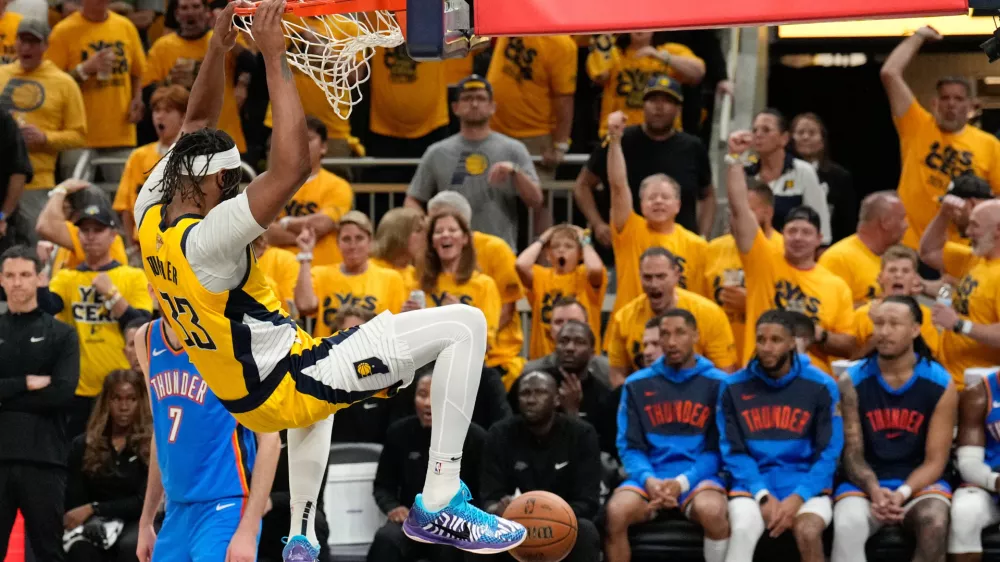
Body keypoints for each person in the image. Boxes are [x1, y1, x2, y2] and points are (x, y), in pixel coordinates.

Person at [131, 3, 528, 561]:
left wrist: (218, 49)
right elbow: (291, 167)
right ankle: (440, 499)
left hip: (246, 392)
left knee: (316, 377)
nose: (230, 192)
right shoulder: (211, 237)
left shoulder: (148, 213)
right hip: (281, 383)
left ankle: (300, 533)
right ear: (217, 182)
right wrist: (273, 57)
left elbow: (196, 125)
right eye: (228, 184)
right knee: (465, 325)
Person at [134, 318, 281, 562]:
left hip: (226, 505)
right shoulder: (147, 338)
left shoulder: (228, 335)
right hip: (177, 509)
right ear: (152, 289)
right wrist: (146, 521)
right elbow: (161, 436)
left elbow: (270, 439)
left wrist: (249, 527)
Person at [831, 296, 955, 562]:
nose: (884, 332)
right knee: (846, 524)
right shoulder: (851, 381)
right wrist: (874, 490)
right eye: (879, 324)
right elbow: (852, 454)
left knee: (934, 522)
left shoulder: (940, 382)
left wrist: (902, 493)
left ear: (915, 330)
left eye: (894, 324)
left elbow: (936, 460)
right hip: (864, 483)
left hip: (919, 484)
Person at [606, 309, 730, 562]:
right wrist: (649, 480)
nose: (672, 342)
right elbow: (630, 447)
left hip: (698, 478)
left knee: (713, 511)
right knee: (615, 513)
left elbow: (719, 450)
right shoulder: (636, 384)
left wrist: (683, 482)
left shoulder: (720, 383)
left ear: (695, 335)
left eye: (680, 333)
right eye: (665, 334)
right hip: (651, 477)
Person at [726, 131, 855, 374]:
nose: (797, 238)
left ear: (819, 239)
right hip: (759, 376)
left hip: (811, 382)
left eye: (806, 233)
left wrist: (817, 334)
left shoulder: (835, 285)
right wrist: (735, 159)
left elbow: (848, 345)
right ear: (781, 234)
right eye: (792, 231)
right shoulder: (762, 260)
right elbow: (739, 209)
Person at [720, 310, 843, 562]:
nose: (766, 347)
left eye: (776, 340)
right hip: (752, 487)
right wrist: (762, 495)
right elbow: (733, 451)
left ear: (791, 343)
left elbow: (830, 452)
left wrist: (798, 497)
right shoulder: (732, 386)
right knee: (742, 529)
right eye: (761, 339)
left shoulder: (822, 385)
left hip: (806, 487)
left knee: (808, 531)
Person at [880, 25, 1000, 254]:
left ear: (971, 106)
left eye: (958, 99)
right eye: (945, 98)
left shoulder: (989, 145)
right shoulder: (916, 125)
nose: (951, 104)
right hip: (911, 246)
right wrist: (919, 36)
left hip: (961, 250)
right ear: (935, 103)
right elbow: (889, 73)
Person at [39, 201, 153, 437]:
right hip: (79, 388)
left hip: (124, 387)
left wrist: (111, 294)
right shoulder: (67, 277)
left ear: (113, 235)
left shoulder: (132, 276)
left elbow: (141, 325)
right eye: (84, 230)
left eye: (98, 230)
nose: (90, 236)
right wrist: (41, 271)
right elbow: (47, 308)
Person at [0, 244, 79, 562]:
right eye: (10, 275)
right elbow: (48, 393)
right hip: (1, 457)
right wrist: (25, 384)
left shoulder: (62, 334)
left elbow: (62, 393)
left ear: (40, 278)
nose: (17, 282)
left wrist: (6, 398)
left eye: (24, 275)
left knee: (49, 552)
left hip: (45, 458)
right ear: (1, 280)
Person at [404, 74, 543, 249]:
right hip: (450, 250)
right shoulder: (437, 152)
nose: (474, 104)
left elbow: (536, 200)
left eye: (481, 98)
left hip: (498, 250)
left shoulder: (513, 149)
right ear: (455, 108)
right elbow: (413, 199)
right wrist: (427, 224)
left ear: (492, 107)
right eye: (467, 99)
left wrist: (515, 172)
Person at [481, 371, 603, 562]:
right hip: (513, 522)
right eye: (525, 393)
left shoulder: (581, 434)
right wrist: (498, 508)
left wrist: (548, 518)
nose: (531, 399)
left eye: (540, 392)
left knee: (586, 531)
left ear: (556, 400)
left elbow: (588, 500)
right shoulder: (499, 434)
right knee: (477, 533)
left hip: (564, 521)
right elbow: (489, 496)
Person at [368, 371, 487, 562]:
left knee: (451, 546)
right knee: (386, 539)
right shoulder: (399, 433)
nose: (428, 403)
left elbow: (485, 493)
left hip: (457, 522)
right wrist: (393, 507)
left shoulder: (475, 437)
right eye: (422, 395)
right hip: (412, 520)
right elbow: (383, 485)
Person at [606, 108, 709, 310]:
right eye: (651, 197)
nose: (658, 202)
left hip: (677, 333)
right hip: (631, 332)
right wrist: (615, 140)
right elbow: (618, 186)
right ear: (642, 205)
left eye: (665, 197)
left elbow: (701, 301)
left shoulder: (698, 246)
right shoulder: (630, 230)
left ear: (678, 205)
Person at [0, 18, 86, 245]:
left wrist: (45, 138)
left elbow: (79, 134)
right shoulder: (1, 74)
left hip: (38, 180)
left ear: (45, 45)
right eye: (22, 40)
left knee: (35, 249)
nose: (26, 47)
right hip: (1, 181)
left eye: (33, 42)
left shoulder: (63, 83)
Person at [607, 246, 736, 386]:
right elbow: (617, 374)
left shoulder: (709, 314)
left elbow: (725, 374)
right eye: (647, 277)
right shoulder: (624, 318)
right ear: (639, 276)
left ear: (676, 275)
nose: (654, 284)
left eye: (661, 276)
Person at [64, 370, 151, 562]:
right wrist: (92, 515)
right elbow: (75, 502)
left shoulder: (151, 446)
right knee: (80, 550)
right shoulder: (83, 444)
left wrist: (95, 508)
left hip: (137, 521)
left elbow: (143, 502)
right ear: (106, 402)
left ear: (141, 402)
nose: (124, 407)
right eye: (116, 399)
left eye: (131, 399)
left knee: (130, 546)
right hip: (96, 522)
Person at [920, 198, 1000, 389]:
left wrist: (959, 324)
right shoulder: (977, 258)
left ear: (998, 230)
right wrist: (944, 215)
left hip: (979, 386)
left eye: (975, 226)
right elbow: (929, 252)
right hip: (948, 377)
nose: (968, 232)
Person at [704, 179, 783, 365]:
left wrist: (751, 303)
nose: (736, 217)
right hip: (719, 357)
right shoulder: (713, 249)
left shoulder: (784, 251)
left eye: (745, 212)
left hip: (764, 358)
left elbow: (795, 309)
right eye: (732, 211)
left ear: (768, 213)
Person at [293, 211, 405, 337]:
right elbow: (305, 305)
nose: (353, 246)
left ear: (370, 241)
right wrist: (305, 254)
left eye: (359, 238)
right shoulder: (321, 274)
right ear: (338, 244)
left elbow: (395, 328)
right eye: (346, 239)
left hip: (373, 352)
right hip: (330, 352)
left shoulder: (390, 278)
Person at [513, 320, 616, 454]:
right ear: (555, 348)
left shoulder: (604, 396)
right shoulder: (529, 384)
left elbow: (599, 450)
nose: (570, 348)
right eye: (563, 341)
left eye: (579, 342)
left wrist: (572, 413)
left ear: (592, 352)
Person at [265, 116, 353, 267]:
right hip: (282, 271)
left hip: (324, 270)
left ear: (323, 147)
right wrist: (310, 235)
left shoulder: (338, 186)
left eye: (309, 139)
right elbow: (267, 233)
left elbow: (324, 223)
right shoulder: (271, 186)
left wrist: (285, 223)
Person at [738, 110, 831, 244]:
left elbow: (821, 229)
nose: (758, 135)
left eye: (766, 130)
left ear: (784, 138)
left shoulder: (803, 171)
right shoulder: (745, 173)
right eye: (755, 130)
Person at [516, 224, 607, 360]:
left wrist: (584, 240)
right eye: (555, 246)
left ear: (580, 253)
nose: (561, 250)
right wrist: (543, 238)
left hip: (583, 360)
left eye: (569, 246)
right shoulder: (541, 277)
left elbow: (595, 269)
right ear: (548, 254)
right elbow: (520, 264)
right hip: (544, 360)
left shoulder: (584, 276)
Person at [113, 85, 188, 249]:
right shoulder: (138, 157)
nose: (159, 117)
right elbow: (125, 206)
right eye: (156, 111)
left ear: (183, 117)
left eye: (167, 111)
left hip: (180, 243)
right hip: (144, 244)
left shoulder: (193, 156)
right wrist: (131, 245)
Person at [818, 191, 908, 306]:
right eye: (902, 219)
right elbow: (829, 309)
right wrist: (884, 302)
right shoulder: (839, 258)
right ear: (885, 222)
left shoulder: (895, 256)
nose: (906, 225)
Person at [948, 366, 1000, 561]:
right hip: (990, 484)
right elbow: (969, 463)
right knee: (964, 513)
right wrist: (995, 481)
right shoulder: (980, 392)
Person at [852, 246, 940, 359]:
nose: (898, 275)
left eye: (905, 271)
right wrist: (878, 324)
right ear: (880, 278)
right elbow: (854, 359)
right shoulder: (862, 314)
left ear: (915, 279)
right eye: (892, 270)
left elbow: (928, 358)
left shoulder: (926, 315)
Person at [790, 112, 856, 244]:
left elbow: (847, 221)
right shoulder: (782, 172)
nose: (805, 137)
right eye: (800, 132)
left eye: (812, 133)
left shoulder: (839, 176)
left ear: (822, 141)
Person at [522, 297, 611, 388]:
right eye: (559, 322)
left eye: (573, 321)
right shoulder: (532, 372)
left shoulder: (608, 371)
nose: (566, 327)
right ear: (551, 330)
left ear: (587, 328)